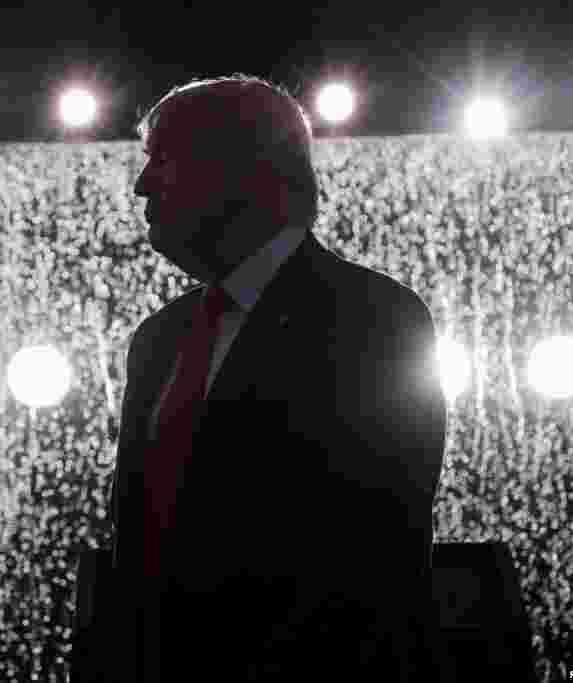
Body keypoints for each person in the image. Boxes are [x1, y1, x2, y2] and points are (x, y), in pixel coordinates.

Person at [89, 73, 451, 682]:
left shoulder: (373, 317)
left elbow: (368, 545)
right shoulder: (159, 339)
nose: (141, 184)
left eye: (163, 160)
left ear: (241, 171)